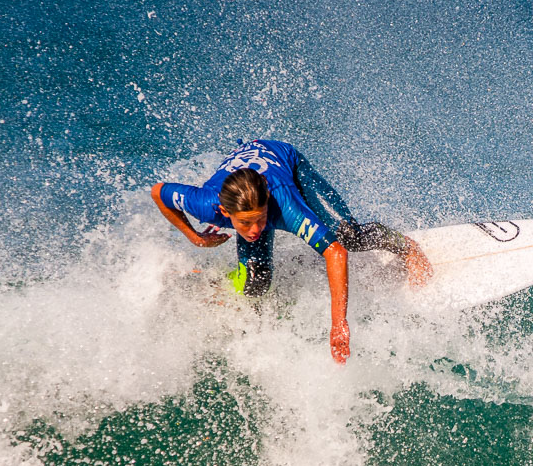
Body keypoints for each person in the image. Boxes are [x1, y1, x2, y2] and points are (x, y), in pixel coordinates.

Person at [151, 139, 431, 364]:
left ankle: (407, 247)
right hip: (242, 179)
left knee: (350, 237)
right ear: (224, 213)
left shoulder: (284, 206)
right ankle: (220, 283)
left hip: (285, 161)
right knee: (255, 285)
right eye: (244, 223)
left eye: (260, 219)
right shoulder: (205, 204)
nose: (254, 230)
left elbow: (335, 253)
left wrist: (338, 323)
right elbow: (159, 192)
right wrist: (194, 237)